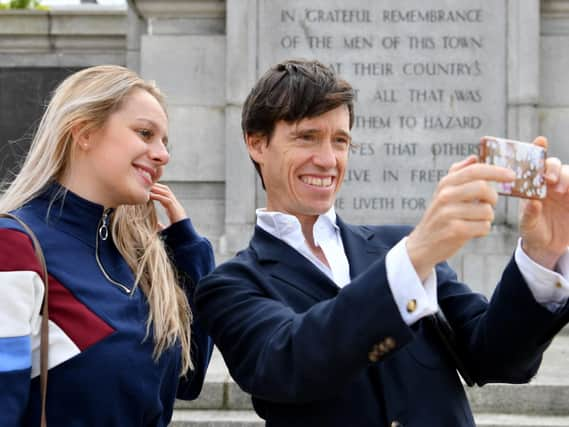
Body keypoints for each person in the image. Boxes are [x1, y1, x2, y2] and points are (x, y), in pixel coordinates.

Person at [195, 59, 569, 427]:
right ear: (256, 143)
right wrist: (414, 257)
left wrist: (541, 253)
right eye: (307, 137)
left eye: (340, 141)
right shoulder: (229, 286)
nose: (328, 160)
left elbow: (496, 358)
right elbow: (292, 363)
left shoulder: (399, 246)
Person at [0, 65, 214, 426]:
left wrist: (189, 249)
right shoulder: (14, 247)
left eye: (164, 142)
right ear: (84, 132)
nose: (163, 154)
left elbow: (187, 380)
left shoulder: (138, 259)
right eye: (145, 133)